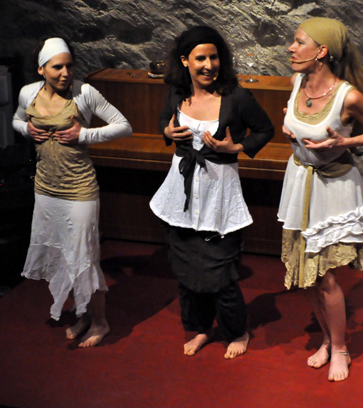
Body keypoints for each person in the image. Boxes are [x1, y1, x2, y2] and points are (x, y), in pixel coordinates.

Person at [278, 18, 363, 382]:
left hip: (333, 190)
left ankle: (341, 348)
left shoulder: (348, 97)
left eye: (299, 42)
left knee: (325, 276)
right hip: (300, 183)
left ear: (322, 51)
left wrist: (346, 142)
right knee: (307, 276)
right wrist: (289, 129)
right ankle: (327, 339)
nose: (291, 48)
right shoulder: (296, 82)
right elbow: (297, 126)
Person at [150, 26, 274, 359]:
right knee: (185, 269)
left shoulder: (237, 97)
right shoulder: (177, 93)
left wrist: (237, 147)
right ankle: (202, 328)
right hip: (181, 193)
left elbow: (265, 129)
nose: (208, 65)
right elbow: (163, 120)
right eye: (201, 58)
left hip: (218, 195)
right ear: (185, 61)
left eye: (214, 57)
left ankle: (237, 331)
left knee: (220, 272)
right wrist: (167, 131)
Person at [12, 37, 132, 347]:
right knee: (64, 257)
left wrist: (85, 134)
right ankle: (83, 314)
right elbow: (16, 119)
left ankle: (101, 322)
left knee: (85, 257)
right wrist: (26, 129)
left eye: (69, 66)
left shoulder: (85, 93)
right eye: (57, 67)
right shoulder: (28, 93)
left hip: (79, 189)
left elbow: (123, 125)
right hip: (45, 188)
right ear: (41, 69)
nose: (65, 73)